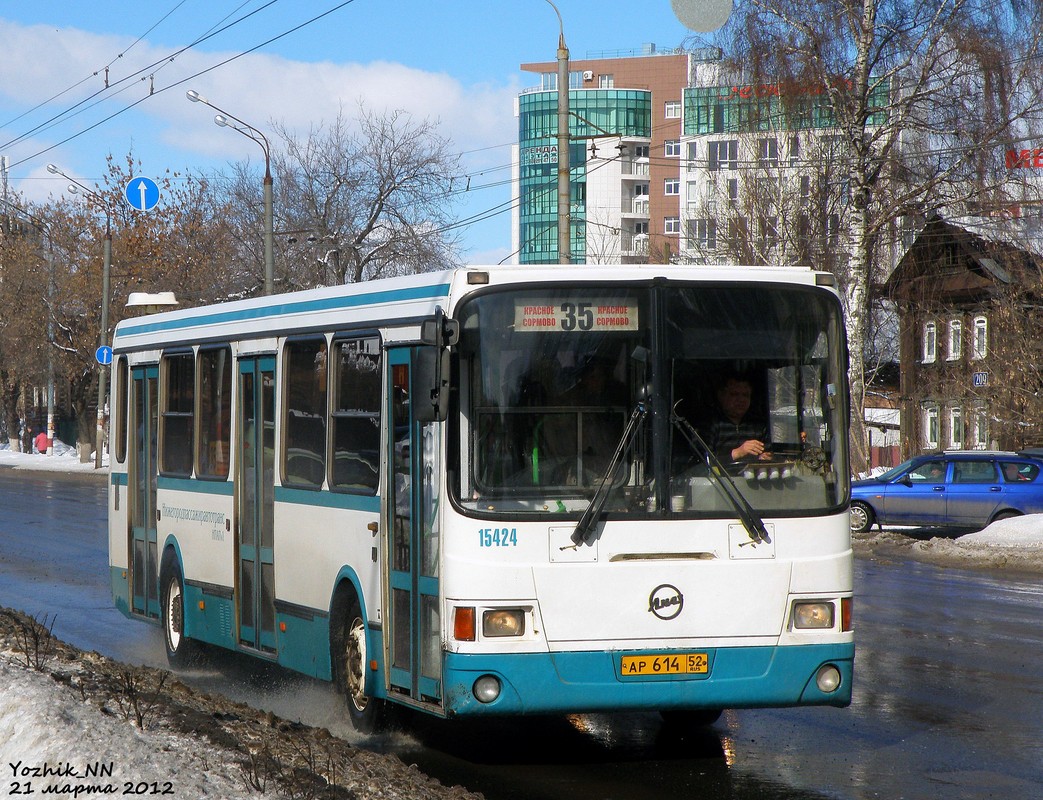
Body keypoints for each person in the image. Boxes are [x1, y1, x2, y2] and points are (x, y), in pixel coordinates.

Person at [705, 373, 771, 462]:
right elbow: (702, 463)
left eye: (746, 395)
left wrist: (764, 458)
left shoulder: (758, 425)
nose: (741, 400)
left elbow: (770, 453)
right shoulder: (709, 424)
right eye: (734, 394)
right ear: (721, 396)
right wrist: (737, 453)